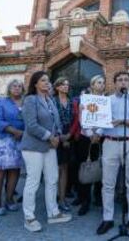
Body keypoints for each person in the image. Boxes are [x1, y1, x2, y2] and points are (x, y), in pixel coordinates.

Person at [19, 71, 72, 232]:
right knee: (33, 181)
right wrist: (50, 136)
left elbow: (56, 122)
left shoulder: (49, 100)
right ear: (35, 84)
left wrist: (57, 135)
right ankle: (29, 217)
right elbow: (31, 125)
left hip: (50, 147)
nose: (47, 83)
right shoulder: (30, 100)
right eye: (43, 80)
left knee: (52, 179)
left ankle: (53, 213)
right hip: (33, 147)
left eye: (48, 81)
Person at [96, 71, 129, 236]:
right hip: (110, 142)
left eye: (126, 80)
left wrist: (122, 121)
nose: (123, 82)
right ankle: (107, 218)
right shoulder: (106, 101)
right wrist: (93, 126)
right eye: (120, 80)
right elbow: (99, 124)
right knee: (108, 184)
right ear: (115, 82)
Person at [0, 80, 25, 216]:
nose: (16, 88)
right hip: (4, 140)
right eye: (14, 86)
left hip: (20, 141)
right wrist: (14, 131)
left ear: (22, 89)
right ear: (9, 89)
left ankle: (9, 199)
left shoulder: (26, 102)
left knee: (15, 171)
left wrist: (23, 133)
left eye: (19, 86)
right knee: (0, 171)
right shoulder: (2, 102)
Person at [75, 75, 105, 216]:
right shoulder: (84, 99)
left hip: (100, 138)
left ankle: (98, 197)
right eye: (98, 82)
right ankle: (84, 199)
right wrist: (89, 133)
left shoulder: (106, 100)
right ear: (92, 85)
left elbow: (106, 118)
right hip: (85, 138)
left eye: (103, 83)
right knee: (86, 167)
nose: (101, 85)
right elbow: (81, 118)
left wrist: (98, 133)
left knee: (99, 166)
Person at [53, 77, 74, 213]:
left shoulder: (72, 102)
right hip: (55, 136)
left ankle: (62, 197)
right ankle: (53, 197)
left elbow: (75, 120)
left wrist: (70, 135)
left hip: (69, 135)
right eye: (63, 84)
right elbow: (51, 120)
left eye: (67, 85)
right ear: (57, 87)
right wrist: (61, 137)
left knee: (65, 168)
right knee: (55, 168)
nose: (66, 87)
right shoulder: (52, 101)